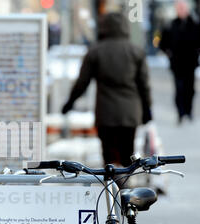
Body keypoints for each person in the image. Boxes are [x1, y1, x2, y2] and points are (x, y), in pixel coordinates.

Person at [62, 12, 152, 168]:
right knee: (127, 155)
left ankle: (111, 188)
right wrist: (147, 109)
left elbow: (82, 82)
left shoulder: (95, 51)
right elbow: (144, 85)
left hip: (105, 112)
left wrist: (69, 102)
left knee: (108, 156)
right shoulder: (136, 51)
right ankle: (125, 185)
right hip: (130, 113)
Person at [159, 0, 200, 124]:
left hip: (191, 63)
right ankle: (180, 113)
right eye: (179, 8)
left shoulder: (196, 23)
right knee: (179, 89)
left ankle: (189, 111)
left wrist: (198, 52)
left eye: (183, 8)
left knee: (190, 89)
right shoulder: (171, 24)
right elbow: (162, 43)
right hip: (176, 64)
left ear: (187, 9)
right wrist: (169, 54)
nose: (181, 10)